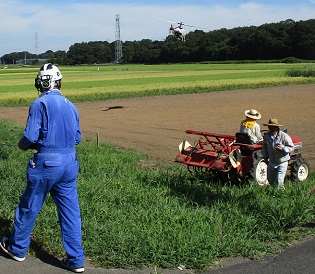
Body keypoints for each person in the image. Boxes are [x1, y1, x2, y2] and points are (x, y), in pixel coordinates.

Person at [0, 63, 85, 273]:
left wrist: (23, 145)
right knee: (70, 212)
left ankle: (18, 248)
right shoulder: (71, 105)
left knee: (29, 206)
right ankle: (76, 260)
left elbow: (29, 136)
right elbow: (77, 138)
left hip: (47, 163)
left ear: (41, 83)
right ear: (59, 81)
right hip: (69, 163)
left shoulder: (39, 104)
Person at [262, 118, 294, 190]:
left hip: (282, 162)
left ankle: (281, 194)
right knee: (271, 180)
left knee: (279, 181)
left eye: (271, 127)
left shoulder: (284, 136)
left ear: (276, 127)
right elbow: (264, 147)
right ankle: (274, 194)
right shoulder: (267, 136)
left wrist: (283, 149)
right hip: (272, 162)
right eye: (269, 126)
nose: (269, 128)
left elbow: (291, 147)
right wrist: (265, 157)